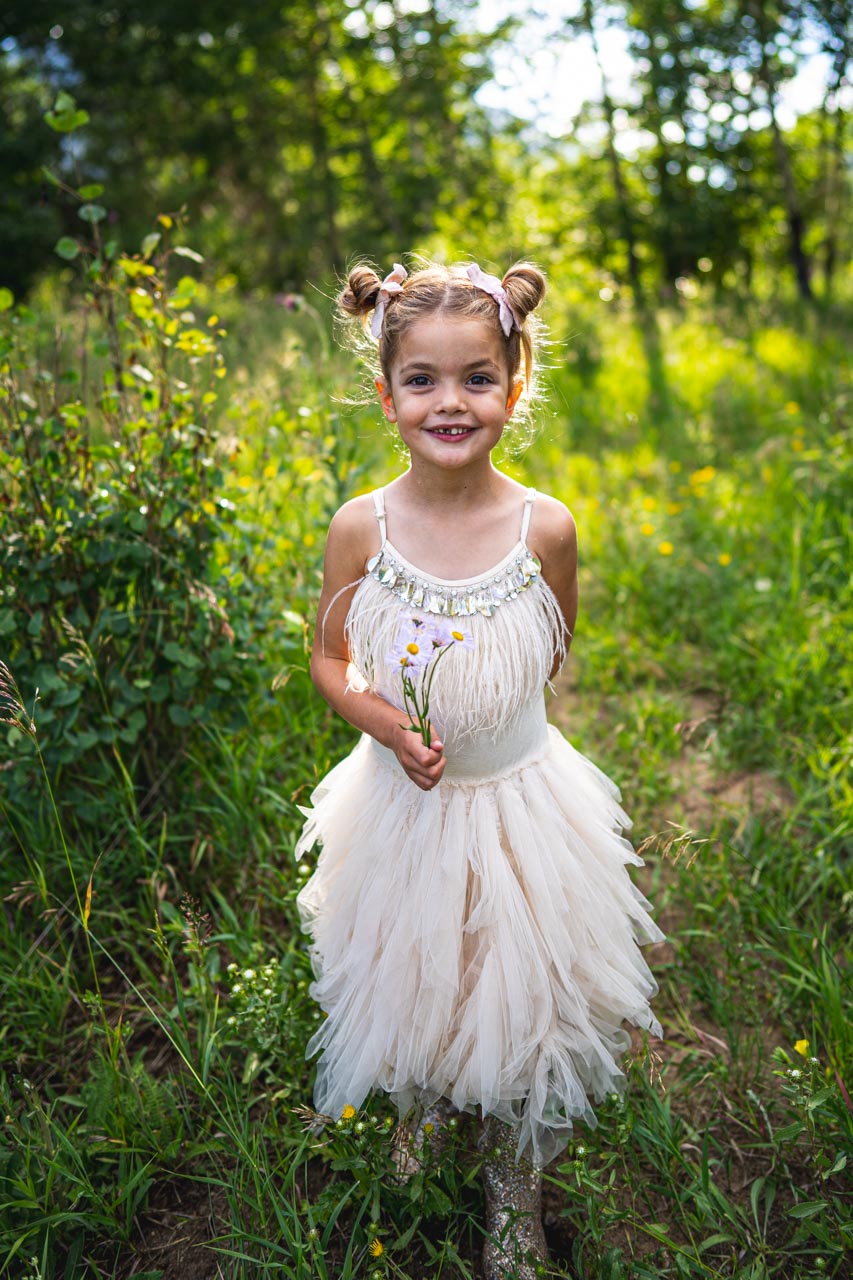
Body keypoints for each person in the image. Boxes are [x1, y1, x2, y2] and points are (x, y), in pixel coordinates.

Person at [295, 259, 663, 1278]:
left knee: (522, 989)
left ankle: (513, 1183)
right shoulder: (360, 527)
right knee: (413, 968)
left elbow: (551, 650)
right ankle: (414, 1105)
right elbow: (330, 658)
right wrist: (387, 722)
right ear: (386, 392)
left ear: (515, 384)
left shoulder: (544, 526)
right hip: (406, 803)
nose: (449, 401)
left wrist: (480, 705)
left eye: (474, 377)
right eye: (421, 379)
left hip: (518, 800)